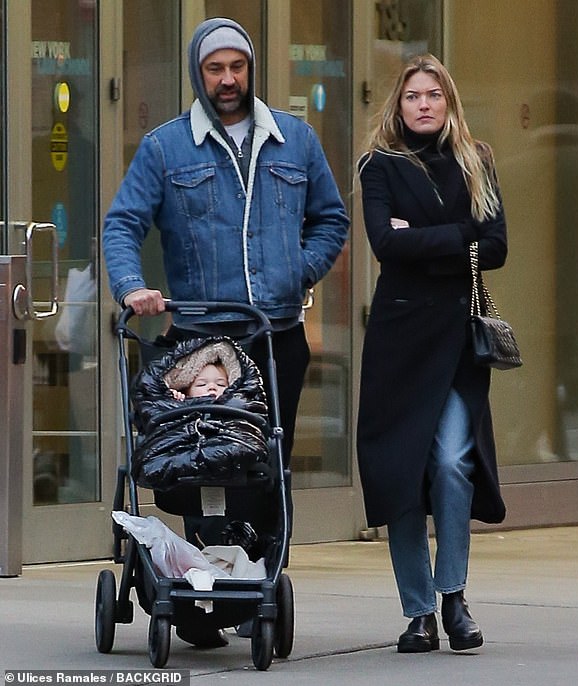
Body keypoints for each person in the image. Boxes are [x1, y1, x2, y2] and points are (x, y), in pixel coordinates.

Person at [103, 16, 348, 646]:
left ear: (251, 70)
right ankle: (196, 590)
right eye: (216, 69)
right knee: (192, 465)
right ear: (198, 73)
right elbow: (122, 224)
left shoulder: (295, 140)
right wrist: (133, 287)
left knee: (262, 466)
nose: (229, 79)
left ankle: (252, 587)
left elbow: (331, 218)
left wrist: (300, 271)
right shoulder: (165, 148)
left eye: (237, 67)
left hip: (274, 337)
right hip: (196, 341)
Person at [356, 54, 508, 654]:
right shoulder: (380, 165)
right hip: (399, 343)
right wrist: (459, 239)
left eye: (434, 95)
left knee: (450, 464)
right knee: (400, 476)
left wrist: (424, 241)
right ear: (398, 104)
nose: (423, 104)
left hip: (456, 343)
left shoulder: (479, 161)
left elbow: (495, 246)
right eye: (413, 95)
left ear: (449, 103)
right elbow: (385, 246)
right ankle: (417, 612)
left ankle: (454, 597)